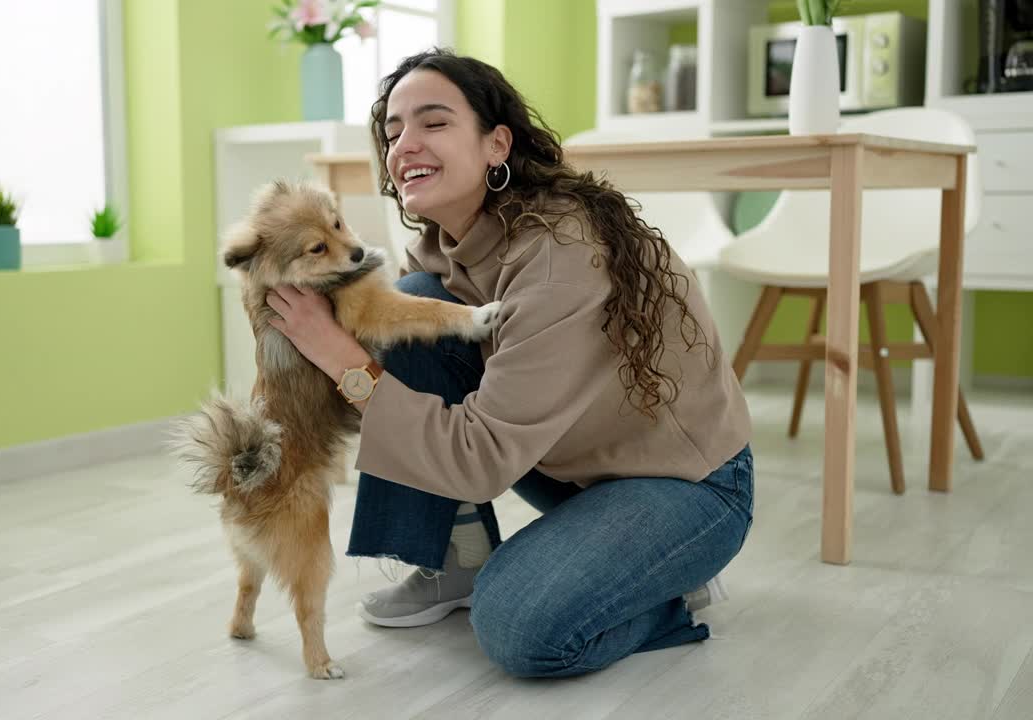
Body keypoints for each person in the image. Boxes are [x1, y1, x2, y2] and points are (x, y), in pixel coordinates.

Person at [264, 48, 753, 679]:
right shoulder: (445, 244)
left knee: (520, 628)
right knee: (407, 310)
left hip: (687, 486)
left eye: (434, 123)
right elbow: (424, 379)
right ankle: (457, 558)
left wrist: (339, 357)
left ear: (497, 144)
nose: (405, 143)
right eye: (393, 131)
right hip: (577, 463)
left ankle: (659, 585)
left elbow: (478, 457)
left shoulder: (557, 257)